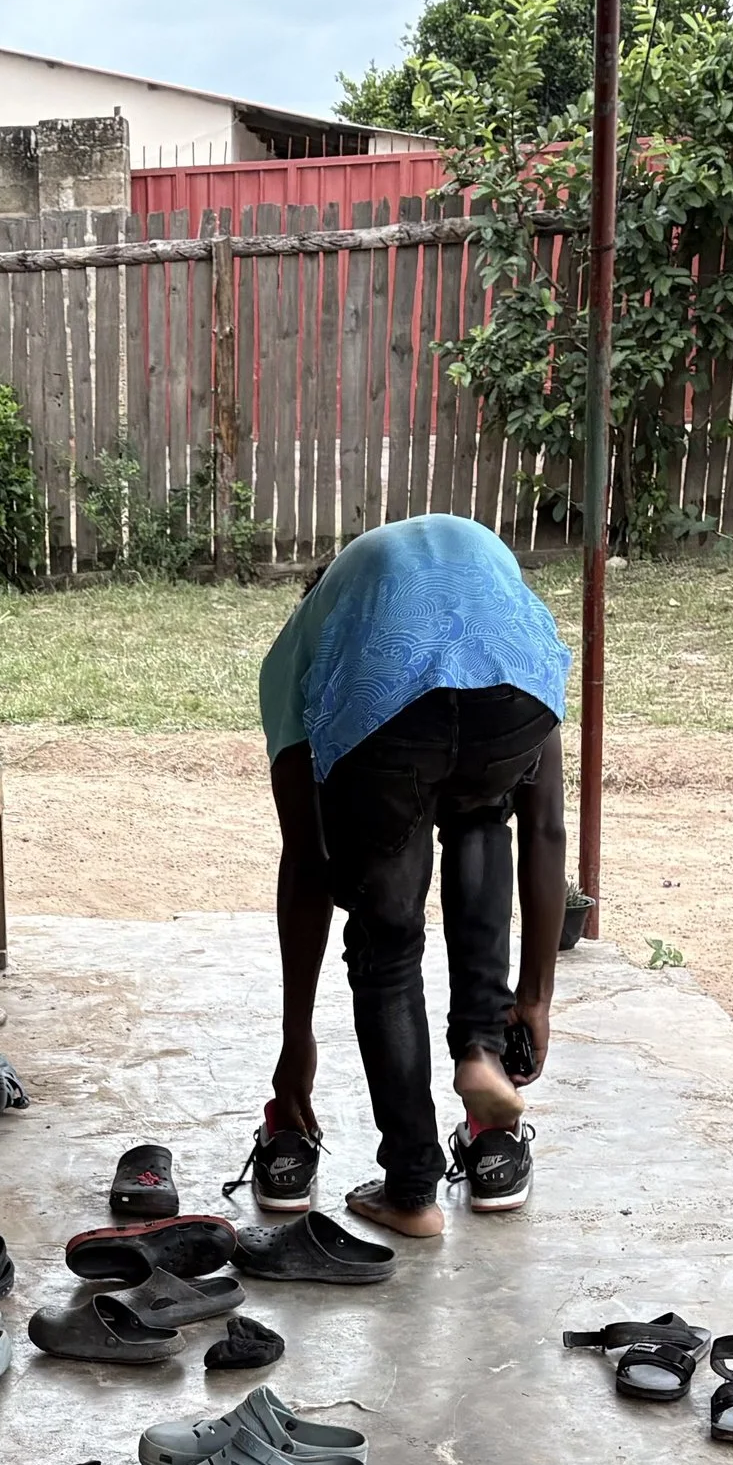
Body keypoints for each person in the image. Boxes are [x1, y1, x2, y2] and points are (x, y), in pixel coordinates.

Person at [246, 513, 572, 1232]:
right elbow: (545, 827)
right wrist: (536, 996)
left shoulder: (306, 645)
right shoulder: (487, 577)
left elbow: (306, 863)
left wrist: (295, 1038)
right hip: (515, 691)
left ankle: (412, 1190)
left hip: (385, 706)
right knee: (483, 813)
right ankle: (482, 1050)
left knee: (387, 938)